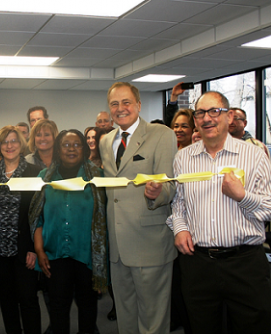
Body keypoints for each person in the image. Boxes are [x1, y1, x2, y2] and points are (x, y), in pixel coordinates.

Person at [167, 91, 271, 333]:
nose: (207, 119)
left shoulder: (254, 155)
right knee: (201, 326)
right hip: (198, 264)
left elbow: (268, 208)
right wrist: (180, 229)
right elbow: (179, 202)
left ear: (229, 116)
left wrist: (242, 196)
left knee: (253, 326)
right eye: (200, 113)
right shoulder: (183, 158)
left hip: (245, 263)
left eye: (214, 111)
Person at [99, 82, 177, 334]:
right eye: (114, 104)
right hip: (118, 246)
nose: (120, 108)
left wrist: (157, 193)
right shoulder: (105, 141)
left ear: (139, 105)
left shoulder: (161, 134)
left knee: (153, 318)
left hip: (150, 242)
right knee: (125, 314)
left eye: (126, 102)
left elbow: (170, 186)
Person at [30, 129, 107, 334]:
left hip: (87, 254)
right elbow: (37, 218)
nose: (71, 149)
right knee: (58, 308)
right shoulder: (43, 177)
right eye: (65, 144)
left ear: (84, 148)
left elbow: (105, 216)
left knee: (88, 307)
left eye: (76, 144)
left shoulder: (97, 176)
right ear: (57, 149)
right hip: (54, 254)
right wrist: (39, 250)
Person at [0, 126, 42, 334]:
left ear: (21, 145)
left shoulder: (34, 173)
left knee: (28, 299)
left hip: (24, 247)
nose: (9, 146)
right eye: (4, 142)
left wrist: (33, 247)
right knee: (6, 300)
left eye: (14, 141)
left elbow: (37, 213)